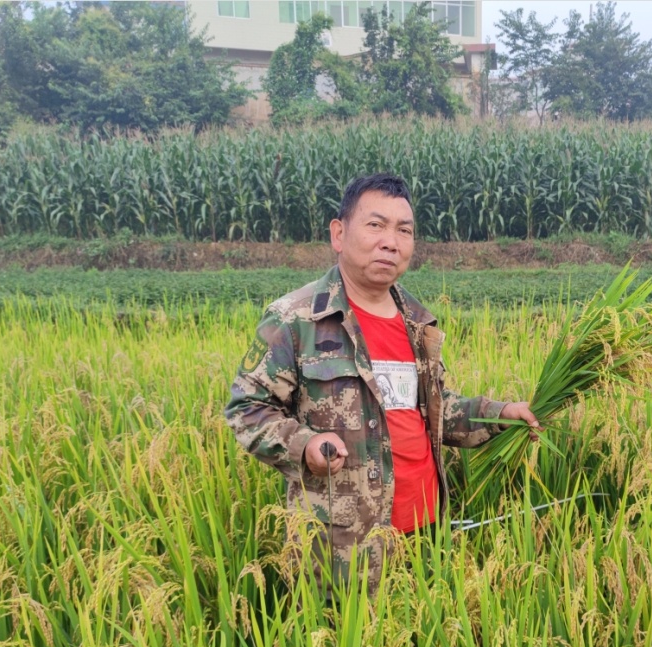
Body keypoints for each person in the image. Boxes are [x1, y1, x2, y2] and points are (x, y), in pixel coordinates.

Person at [225, 173, 538, 593]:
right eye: (376, 225)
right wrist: (306, 447)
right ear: (339, 233)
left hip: (426, 534)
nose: (391, 241)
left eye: (403, 230)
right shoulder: (296, 319)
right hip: (342, 548)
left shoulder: (416, 322)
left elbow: (432, 409)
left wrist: (501, 415)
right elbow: (246, 409)